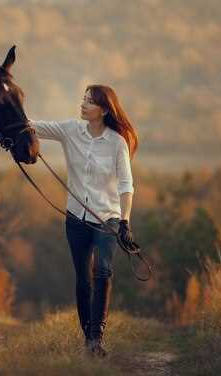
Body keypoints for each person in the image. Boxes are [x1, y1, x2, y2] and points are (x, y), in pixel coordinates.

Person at [30, 84, 138, 357]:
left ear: (103, 110)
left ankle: (96, 337)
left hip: (108, 218)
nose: (83, 104)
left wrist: (124, 221)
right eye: (83, 99)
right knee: (83, 279)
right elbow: (33, 126)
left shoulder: (117, 142)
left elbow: (126, 185)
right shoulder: (70, 130)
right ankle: (87, 336)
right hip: (76, 219)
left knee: (102, 271)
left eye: (89, 101)